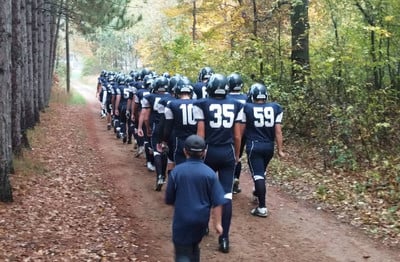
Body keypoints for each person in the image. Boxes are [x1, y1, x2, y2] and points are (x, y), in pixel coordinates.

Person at [193, 73, 244, 253]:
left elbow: (201, 133)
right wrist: (236, 155)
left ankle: (204, 226)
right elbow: (237, 135)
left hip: (209, 151)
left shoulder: (202, 104)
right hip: (227, 151)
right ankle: (224, 238)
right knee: (226, 195)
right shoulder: (236, 105)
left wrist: (198, 154)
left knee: (205, 191)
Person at [165, 135, 226, 262]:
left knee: (182, 251)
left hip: (182, 220)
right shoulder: (210, 174)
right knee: (194, 246)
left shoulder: (177, 172)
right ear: (204, 152)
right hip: (201, 221)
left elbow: (169, 198)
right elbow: (218, 201)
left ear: (184, 151)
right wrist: (218, 224)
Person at [243, 83, 286, 217]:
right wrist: (280, 150)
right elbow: (278, 131)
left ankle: (262, 207)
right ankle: (257, 191)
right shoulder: (275, 108)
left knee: (258, 174)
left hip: (254, 145)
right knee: (262, 172)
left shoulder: (247, 108)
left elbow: (242, 130)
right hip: (269, 146)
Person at [226, 72, 248, 194]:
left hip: (229, 131)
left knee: (229, 155)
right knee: (238, 155)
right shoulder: (247, 98)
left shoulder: (227, 99)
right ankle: (235, 178)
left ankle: (228, 179)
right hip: (244, 132)